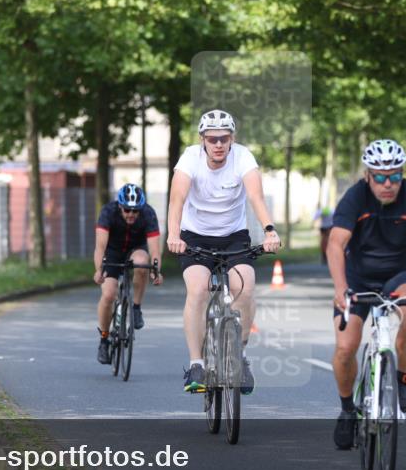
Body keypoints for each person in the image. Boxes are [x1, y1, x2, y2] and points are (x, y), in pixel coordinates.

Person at [326, 139, 406, 450]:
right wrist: (340, 289)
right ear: (368, 176)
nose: (388, 183)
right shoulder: (355, 198)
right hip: (358, 276)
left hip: (398, 274)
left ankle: (403, 382)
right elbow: (335, 245)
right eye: (380, 177)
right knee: (345, 347)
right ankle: (347, 410)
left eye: (394, 176)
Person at [167, 109, 281, 394]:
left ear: (232, 139)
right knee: (198, 290)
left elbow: (255, 196)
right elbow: (177, 200)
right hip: (194, 237)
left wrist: (269, 230)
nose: (218, 144)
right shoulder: (189, 159)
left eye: (224, 138)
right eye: (212, 138)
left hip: (233, 236)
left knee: (245, 287)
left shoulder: (243, 157)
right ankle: (196, 364)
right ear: (202, 140)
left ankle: (239, 357)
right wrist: (173, 234)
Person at [93, 184, 163, 364]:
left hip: (136, 249)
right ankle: (104, 339)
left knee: (141, 263)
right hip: (112, 251)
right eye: (127, 210)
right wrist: (99, 269)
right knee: (108, 294)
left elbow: (155, 249)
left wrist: (156, 271)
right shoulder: (108, 212)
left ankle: (136, 308)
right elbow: (100, 245)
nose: (131, 214)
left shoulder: (148, 213)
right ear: (119, 206)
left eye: (135, 211)